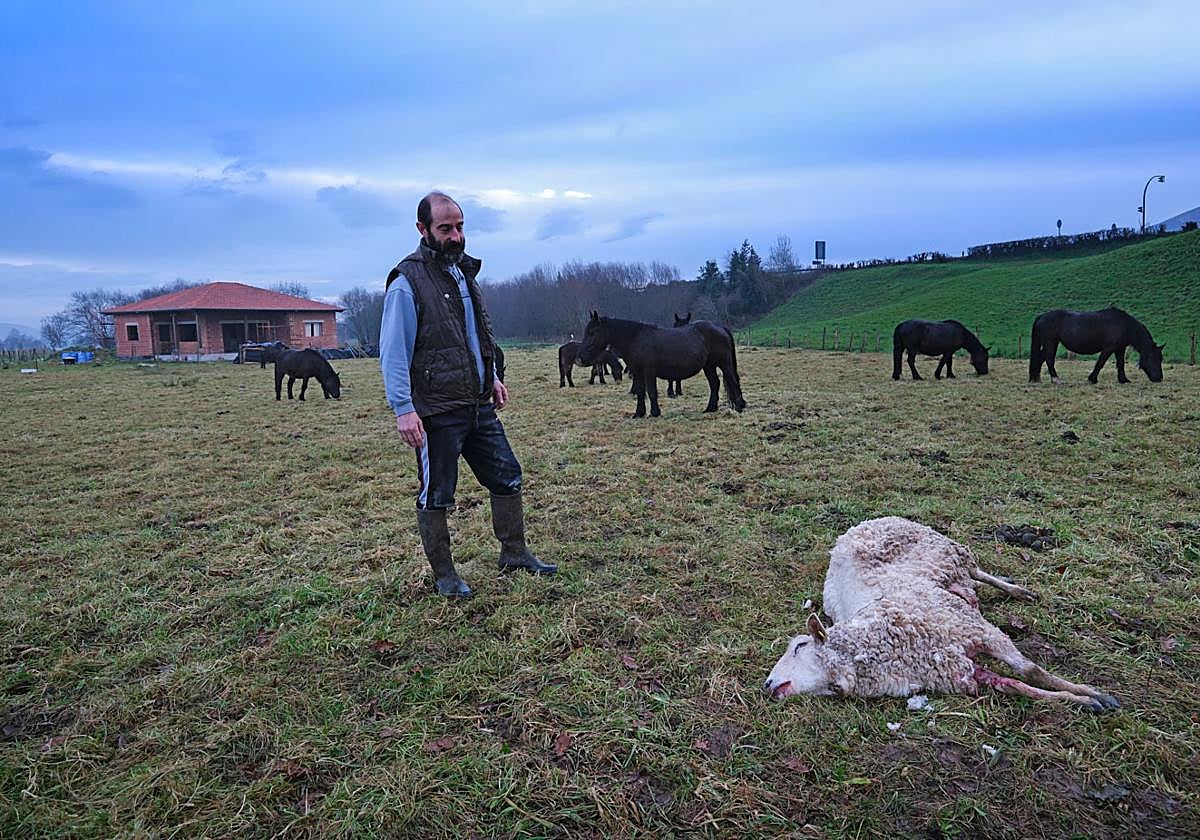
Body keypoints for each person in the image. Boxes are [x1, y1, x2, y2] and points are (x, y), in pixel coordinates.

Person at [380, 191, 556, 597]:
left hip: (477, 404)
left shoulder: (463, 274)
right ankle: (445, 576)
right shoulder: (407, 283)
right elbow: (393, 351)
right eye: (445, 229)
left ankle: (514, 553)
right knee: (437, 494)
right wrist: (404, 408)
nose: (456, 236)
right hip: (437, 410)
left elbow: (475, 335)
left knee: (507, 476)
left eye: (459, 227)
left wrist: (491, 376)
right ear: (423, 229)